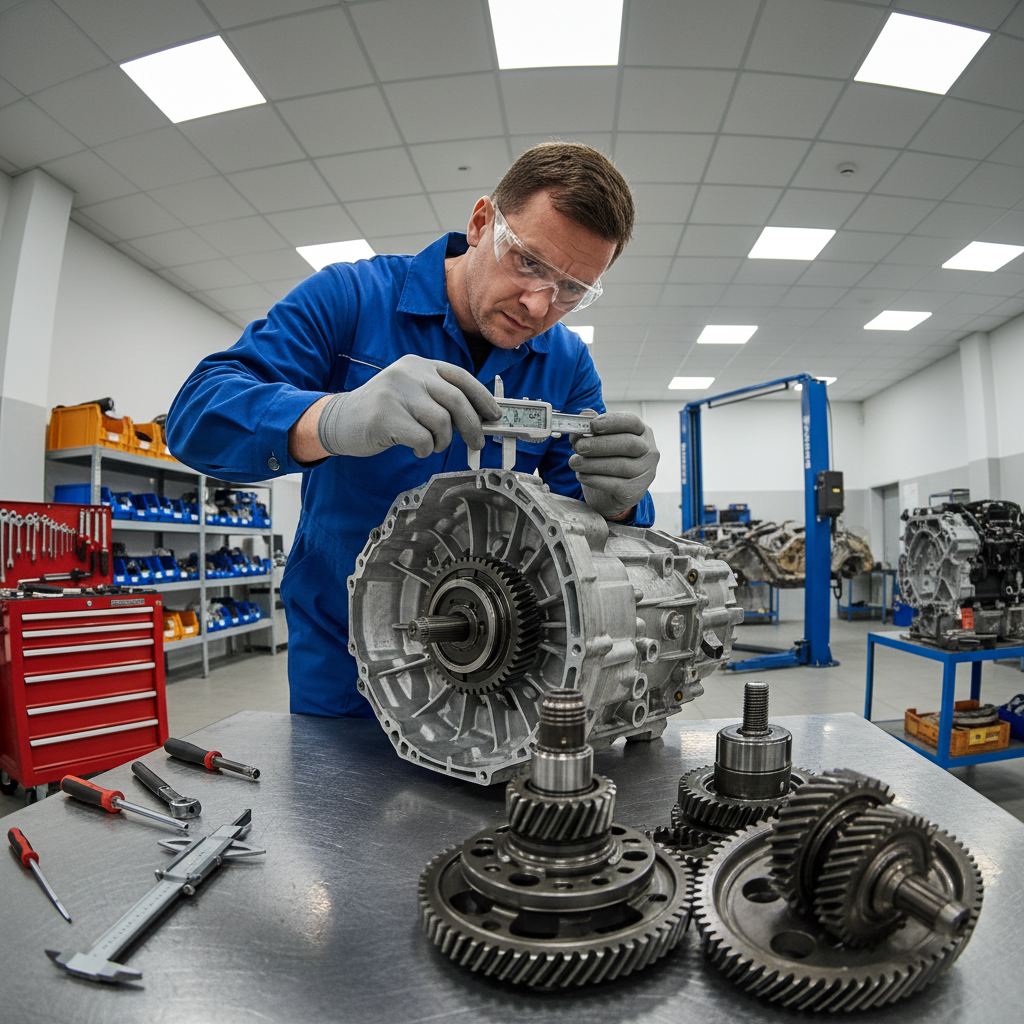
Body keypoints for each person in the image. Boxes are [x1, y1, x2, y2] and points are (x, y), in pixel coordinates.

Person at [167, 142, 660, 717]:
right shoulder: (351, 299)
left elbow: (579, 520)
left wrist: (620, 505)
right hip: (344, 658)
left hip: (506, 666)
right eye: (528, 261)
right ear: (481, 223)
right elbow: (197, 414)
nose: (537, 304)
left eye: (571, 290)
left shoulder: (568, 365)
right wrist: (329, 418)